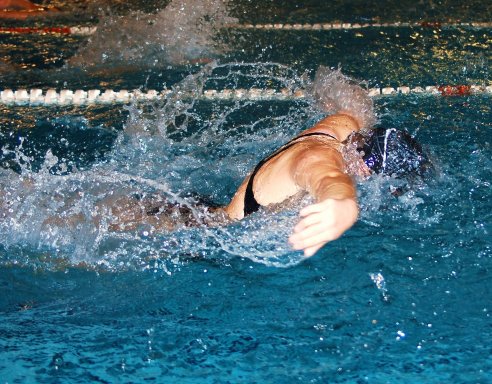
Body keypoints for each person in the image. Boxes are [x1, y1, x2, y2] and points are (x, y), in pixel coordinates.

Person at [100, 67, 431, 258]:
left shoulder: (345, 127)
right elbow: (330, 180)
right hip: (197, 235)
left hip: (199, 210)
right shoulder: (319, 159)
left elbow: (339, 89)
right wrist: (344, 205)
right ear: (364, 168)